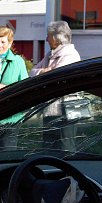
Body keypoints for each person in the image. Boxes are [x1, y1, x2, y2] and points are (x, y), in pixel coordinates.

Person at [30, 21, 81, 151]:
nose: (46, 39)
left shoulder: (70, 55)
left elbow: (55, 78)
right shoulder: (50, 54)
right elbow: (32, 73)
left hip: (66, 111)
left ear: (56, 38)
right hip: (51, 109)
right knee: (48, 147)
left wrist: (45, 73)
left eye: (48, 36)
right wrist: (43, 71)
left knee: (65, 148)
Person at [0, 25, 29, 149]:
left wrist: (2, 87)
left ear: (10, 43)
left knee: (5, 151)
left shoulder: (18, 62)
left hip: (10, 116)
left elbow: (25, 88)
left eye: (3, 42)